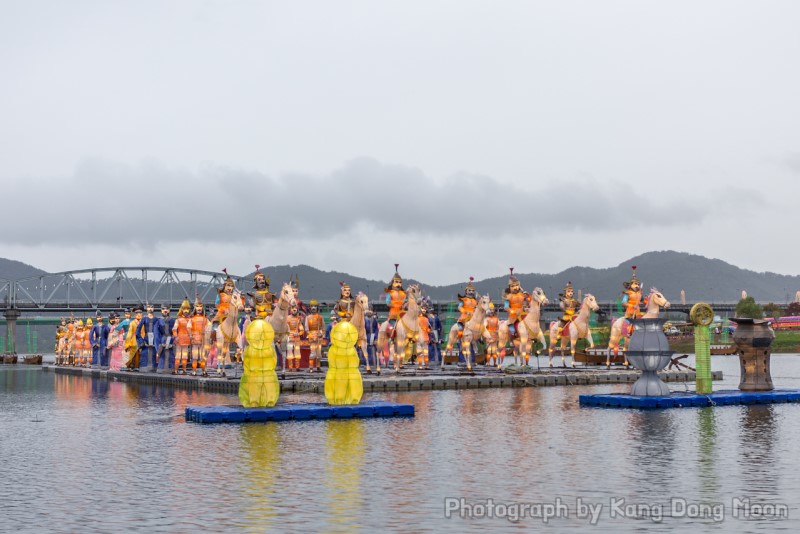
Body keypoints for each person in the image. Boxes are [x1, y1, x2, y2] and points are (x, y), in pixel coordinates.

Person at [503, 268, 530, 338]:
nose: (515, 288)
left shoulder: (522, 294)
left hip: (523, 312)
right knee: (509, 323)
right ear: (510, 287)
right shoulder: (508, 296)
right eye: (513, 286)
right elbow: (506, 307)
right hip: (514, 313)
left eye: (517, 285)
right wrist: (512, 311)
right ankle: (513, 333)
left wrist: (528, 295)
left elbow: (529, 301)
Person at [187, 295, 210, 376]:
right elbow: (189, 327)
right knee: (195, 357)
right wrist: (190, 336)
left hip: (203, 340)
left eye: (200, 306)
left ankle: (204, 371)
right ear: (195, 307)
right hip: (194, 339)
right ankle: (194, 371)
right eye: (197, 306)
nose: (199, 308)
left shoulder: (206, 319)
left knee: (203, 357)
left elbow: (209, 327)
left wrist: (206, 332)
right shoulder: (192, 319)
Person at [621, 266, 645, 336]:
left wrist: (647, 300)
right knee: (627, 324)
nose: (637, 285)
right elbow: (623, 302)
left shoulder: (639, 294)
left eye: (638, 284)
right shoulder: (627, 293)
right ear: (631, 285)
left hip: (637, 312)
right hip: (630, 312)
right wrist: (632, 305)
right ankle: (626, 334)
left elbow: (644, 302)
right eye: (635, 284)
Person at [136, 305, 158, 373]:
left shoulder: (156, 319)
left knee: (154, 355)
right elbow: (137, 331)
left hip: (154, 341)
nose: (150, 309)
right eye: (149, 307)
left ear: (154, 308)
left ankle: (154, 368)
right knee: (145, 355)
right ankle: (144, 367)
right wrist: (141, 341)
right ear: (146, 308)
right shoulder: (144, 319)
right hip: (146, 341)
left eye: (152, 307)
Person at [305, 299, 325, 373]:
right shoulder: (308, 317)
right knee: (312, 353)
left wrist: (321, 334)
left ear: (317, 307)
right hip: (312, 338)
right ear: (310, 308)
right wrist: (310, 335)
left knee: (319, 353)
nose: (313, 308)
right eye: (312, 306)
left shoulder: (320, 317)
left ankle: (318, 367)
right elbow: (306, 329)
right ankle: (311, 367)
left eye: (315, 306)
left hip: (319, 337)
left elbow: (323, 328)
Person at [384, 264, 406, 331]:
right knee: (394, 329)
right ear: (392, 283)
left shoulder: (403, 294)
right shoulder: (389, 292)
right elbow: (387, 302)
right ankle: (391, 339)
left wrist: (405, 305)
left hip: (402, 315)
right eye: (396, 282)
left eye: (400, 282)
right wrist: (395, 304)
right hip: (393, 315)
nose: (398, 284)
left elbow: (406, 303)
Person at [286, 305, 305, 371]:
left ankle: (297, 367)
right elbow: (285, 328)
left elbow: (302, 330)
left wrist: (298, 333)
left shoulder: (298, 319)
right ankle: (290, 367)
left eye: (295, 309)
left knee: (297, 352)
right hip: (289, 337)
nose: (294, 310)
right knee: (289, 352)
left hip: (296, 338)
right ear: (290, 310)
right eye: (293, 309)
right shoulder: (287, 318)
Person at [483, 303, 501, 368]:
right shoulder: (486, 319)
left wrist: (498, 331)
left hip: (495, 336)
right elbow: (484, 327)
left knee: (494, 351)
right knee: (489, 351)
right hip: (489, 336)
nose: (492, 311)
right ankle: (488, 362)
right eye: (490, 310)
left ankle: (494, 363)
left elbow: (499, 326)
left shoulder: (496, 318)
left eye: (493, 310)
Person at [427, 303, 443, 367]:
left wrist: (439, 334)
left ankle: (439, 360)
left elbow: (440, 326)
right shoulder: (427, 317)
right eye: (430, 308)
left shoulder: (436, 317)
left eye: (432, 308)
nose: (431, 309)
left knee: (437, 347)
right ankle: (432, 360)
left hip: (436, 332)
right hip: (430, 333)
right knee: (431, 347)